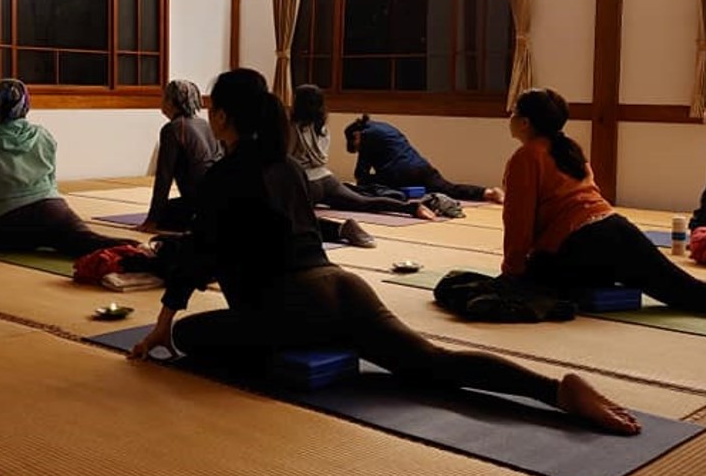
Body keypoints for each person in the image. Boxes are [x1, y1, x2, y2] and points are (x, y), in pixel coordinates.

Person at [129, 68, 639, 437]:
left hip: (290, 309)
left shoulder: (224, 177)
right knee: (433, 362)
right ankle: (554, 390)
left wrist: (163, 324)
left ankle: (286, 343)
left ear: (221, 116)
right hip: (343, 287)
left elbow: (199, 254)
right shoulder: (287, 169)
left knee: (190, 336)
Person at [502, 88, 706, 312]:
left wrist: (512, 272)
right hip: (615, 228)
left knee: (535, 273)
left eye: (514, 112)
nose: (510, 116)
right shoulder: (570, 149)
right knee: (685, 290)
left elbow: (518, 221)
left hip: (581, 245)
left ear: (525, 123)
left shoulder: (526, 156)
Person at [0, 78, 135, 256]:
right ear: (26, 105)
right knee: (87, 240)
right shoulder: (42, 135)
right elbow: (51, 180)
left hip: (10, 222)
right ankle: (138, 249)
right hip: (53, 210)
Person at [291, 85, 437, 223]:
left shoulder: (293, 128)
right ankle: (411, 208)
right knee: (363, 202)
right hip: (327, 179)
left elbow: (287, 158)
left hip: (304, 183)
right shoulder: (322, 129)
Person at [345, 115, 504, 203]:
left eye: (356, 146)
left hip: (400, 175)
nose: (359, 149)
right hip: (421, 167)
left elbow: (361, 174)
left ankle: (397, 197)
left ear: (356, 134)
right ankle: (488, 193)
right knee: (448, 188)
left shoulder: (366, 136)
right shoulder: (385, 127)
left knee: (366, 185)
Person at [137, 80, 221, 234]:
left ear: (171, 102)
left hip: (198, 203)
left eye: (164, 98)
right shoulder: (204, 124)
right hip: (220, 200)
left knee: (166, 212)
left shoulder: (172, 129)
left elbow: (164, 177)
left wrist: (152, 220)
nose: (161, 102)